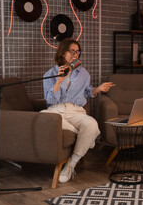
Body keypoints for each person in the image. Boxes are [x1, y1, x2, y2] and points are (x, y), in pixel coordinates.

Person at [42, 38, 115, 183]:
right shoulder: (50, 74)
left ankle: (71, 165)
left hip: (76, 111)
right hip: (56, 110)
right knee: (43, 117)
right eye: (72, 51)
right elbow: (50, 100)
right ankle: (87, 136)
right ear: (63, 53)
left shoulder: (84, 74)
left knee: (92, 124)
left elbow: (88, 92)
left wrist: (99, 89)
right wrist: (59, 81)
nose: (75, 54)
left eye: (77, 52)